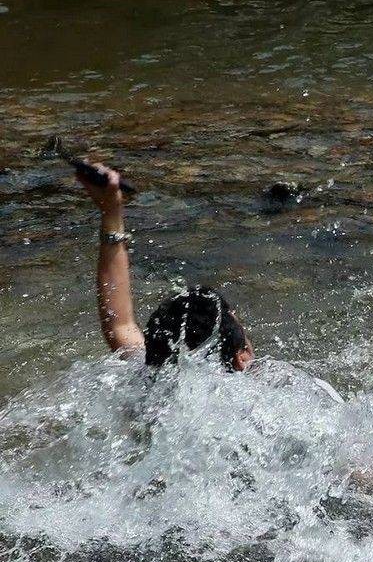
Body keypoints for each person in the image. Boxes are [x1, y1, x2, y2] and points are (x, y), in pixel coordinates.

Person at [76, 163, 343, 401]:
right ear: (242, 358)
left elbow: (120, 324)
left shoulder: (153, 384)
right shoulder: (287, 393)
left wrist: (111, 212)